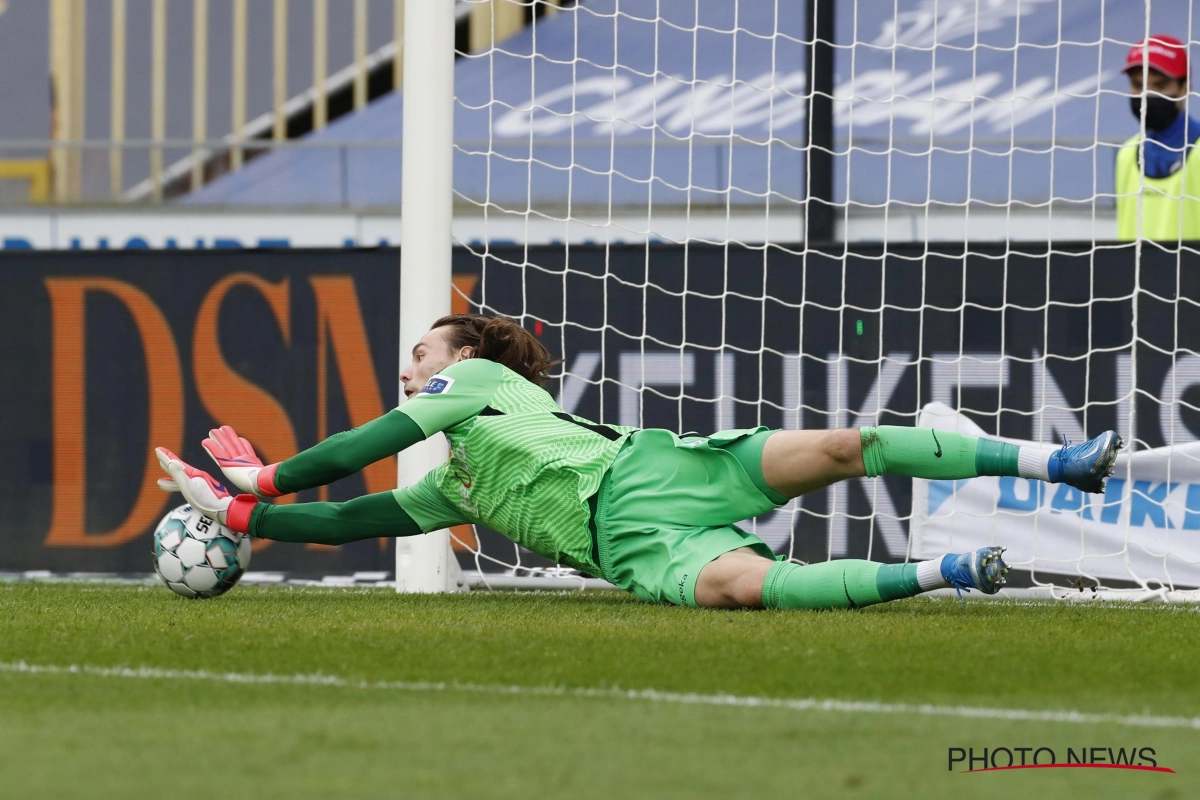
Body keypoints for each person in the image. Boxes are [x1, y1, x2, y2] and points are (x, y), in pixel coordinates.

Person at [157, 314, 1122, 610]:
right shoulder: (456, 479)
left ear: (461, 358)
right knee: (753, 589)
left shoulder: (485, 384)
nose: (407, 367)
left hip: (658, 473)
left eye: (419, 353)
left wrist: (265, 479)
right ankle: (943, 572)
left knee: (840, 444)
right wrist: (246, 521)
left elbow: (372, 443)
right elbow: (349, 518)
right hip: (625, 549)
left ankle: (1059, 460)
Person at [1116, 35, 1200, 242]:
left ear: (1185, 88)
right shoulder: (1127, 154)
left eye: (1160, 86)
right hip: (1135, 273)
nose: (1146, 95)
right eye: (1137, 85)